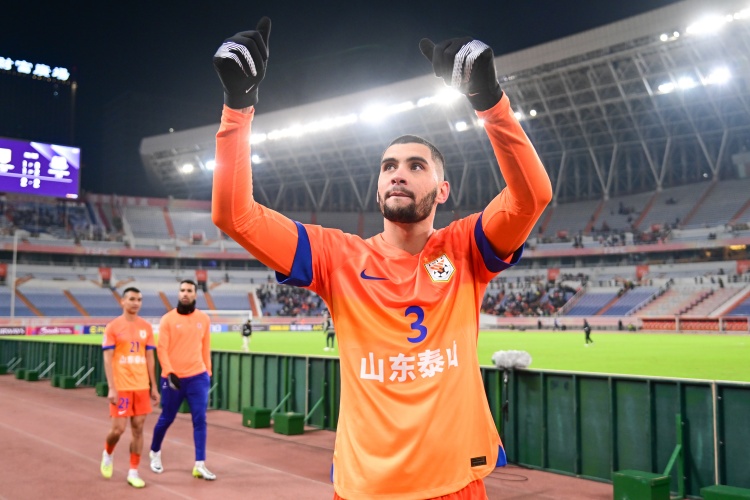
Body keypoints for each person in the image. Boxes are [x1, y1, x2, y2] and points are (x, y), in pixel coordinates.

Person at [211, 18, 552, 499]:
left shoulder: (465, 248)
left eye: (416, 165)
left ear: (442, 189)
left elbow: (532, 197)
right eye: (389, 166)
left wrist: (490, 101)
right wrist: (238, 106)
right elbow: (234, 216)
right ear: (377, 188)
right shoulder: (335, 256)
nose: (398, 174)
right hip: (366, 488)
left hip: (455, 483)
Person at [148, 279, 216, 480]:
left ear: (195, 294)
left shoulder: (203, 319)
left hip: (198, 377)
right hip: (173, 378)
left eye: (189, 290)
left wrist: (208, 373)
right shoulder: (168, 319)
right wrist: (169, 372)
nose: (185, 293)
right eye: (182, 290)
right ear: (179, 294)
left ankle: (200, 464)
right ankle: (155, 452)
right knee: (167, 418)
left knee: (200, 419)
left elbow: (205, 347)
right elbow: (162, 349)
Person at [100, 287, 159, 488]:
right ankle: (108, 453)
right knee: (118, 430)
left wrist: (153, 386)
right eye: (132, 299)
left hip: (141, 386)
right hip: (122, 386)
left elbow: (150, 357)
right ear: (122, 301)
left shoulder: (146, 327)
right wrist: (112, 387)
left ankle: (133, 472)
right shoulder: (113, 327)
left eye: (139, 300)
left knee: (138, 428)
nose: (136, 303)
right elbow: (107, 359)